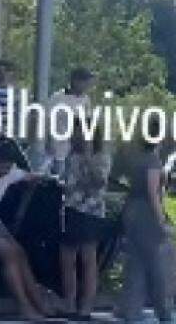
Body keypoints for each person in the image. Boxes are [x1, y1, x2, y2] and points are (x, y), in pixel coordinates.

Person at [0, 144, 58, 322]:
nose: (5, 171)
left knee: (20, 254)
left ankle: (37, 302)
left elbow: (32, 176)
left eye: (8, 167)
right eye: (2, 166)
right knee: (10, 255)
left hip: (0, 226)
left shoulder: (11, 173)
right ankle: (24, 305)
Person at [119, 120, 173, 324]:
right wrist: (162, 220)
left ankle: (131, 311)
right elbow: (153, 194)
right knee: (157, 266)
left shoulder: (136, 158)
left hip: (131, 211)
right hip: (145, 215)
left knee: (136, 264)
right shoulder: (152, 161)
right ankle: (163, 312)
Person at [59, 125, 110, 321]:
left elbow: (99, 182)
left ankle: (86, 307)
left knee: (88, 258)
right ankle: (69, 303)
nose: (77, 135)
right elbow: (68, 181)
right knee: (67, 258)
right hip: (71, 209)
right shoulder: (71, 156)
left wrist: (88, 155)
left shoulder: (101, 157)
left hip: (91, 211)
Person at [49, 68, 94, 174]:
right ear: (75, 80)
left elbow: (86, 125)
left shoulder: (85, 99)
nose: (87, 84)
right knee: (58, 178)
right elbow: (47, 119)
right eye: (84, 80)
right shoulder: (58, 97)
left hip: (75, 149)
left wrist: (88, 150)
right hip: (58, 147)